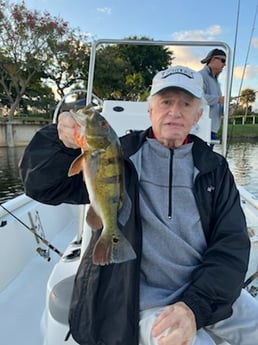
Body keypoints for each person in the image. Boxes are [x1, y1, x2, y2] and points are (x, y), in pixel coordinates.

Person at [19, 65, 258, 345]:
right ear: (150, 109)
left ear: (198, 114)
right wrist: (59, 141)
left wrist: (195, 305)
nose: (175, 111)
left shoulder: (215, 169)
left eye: (186, 103)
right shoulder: (120, 155)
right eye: (166, 101)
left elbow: (231, 244)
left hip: (206, 292)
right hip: (144, 301)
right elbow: (41, 185)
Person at [199, 49, 227, 148]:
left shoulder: (216, 82)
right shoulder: (200, 76)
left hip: (212, 130)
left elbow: (218, 103)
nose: (225, 65)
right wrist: (219, 99)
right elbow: (198, 98)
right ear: (213, 59)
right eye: (223, 61)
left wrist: (228, 108)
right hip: (202, 130)